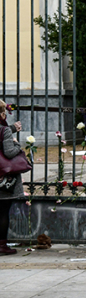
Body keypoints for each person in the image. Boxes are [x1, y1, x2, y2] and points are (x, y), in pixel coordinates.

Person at [0, 99, 24, 255]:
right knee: (2, 212)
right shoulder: (4, 130)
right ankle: (2, 245)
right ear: (2, 113)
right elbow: (9, 152)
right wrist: (17, 144)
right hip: (3, 178)